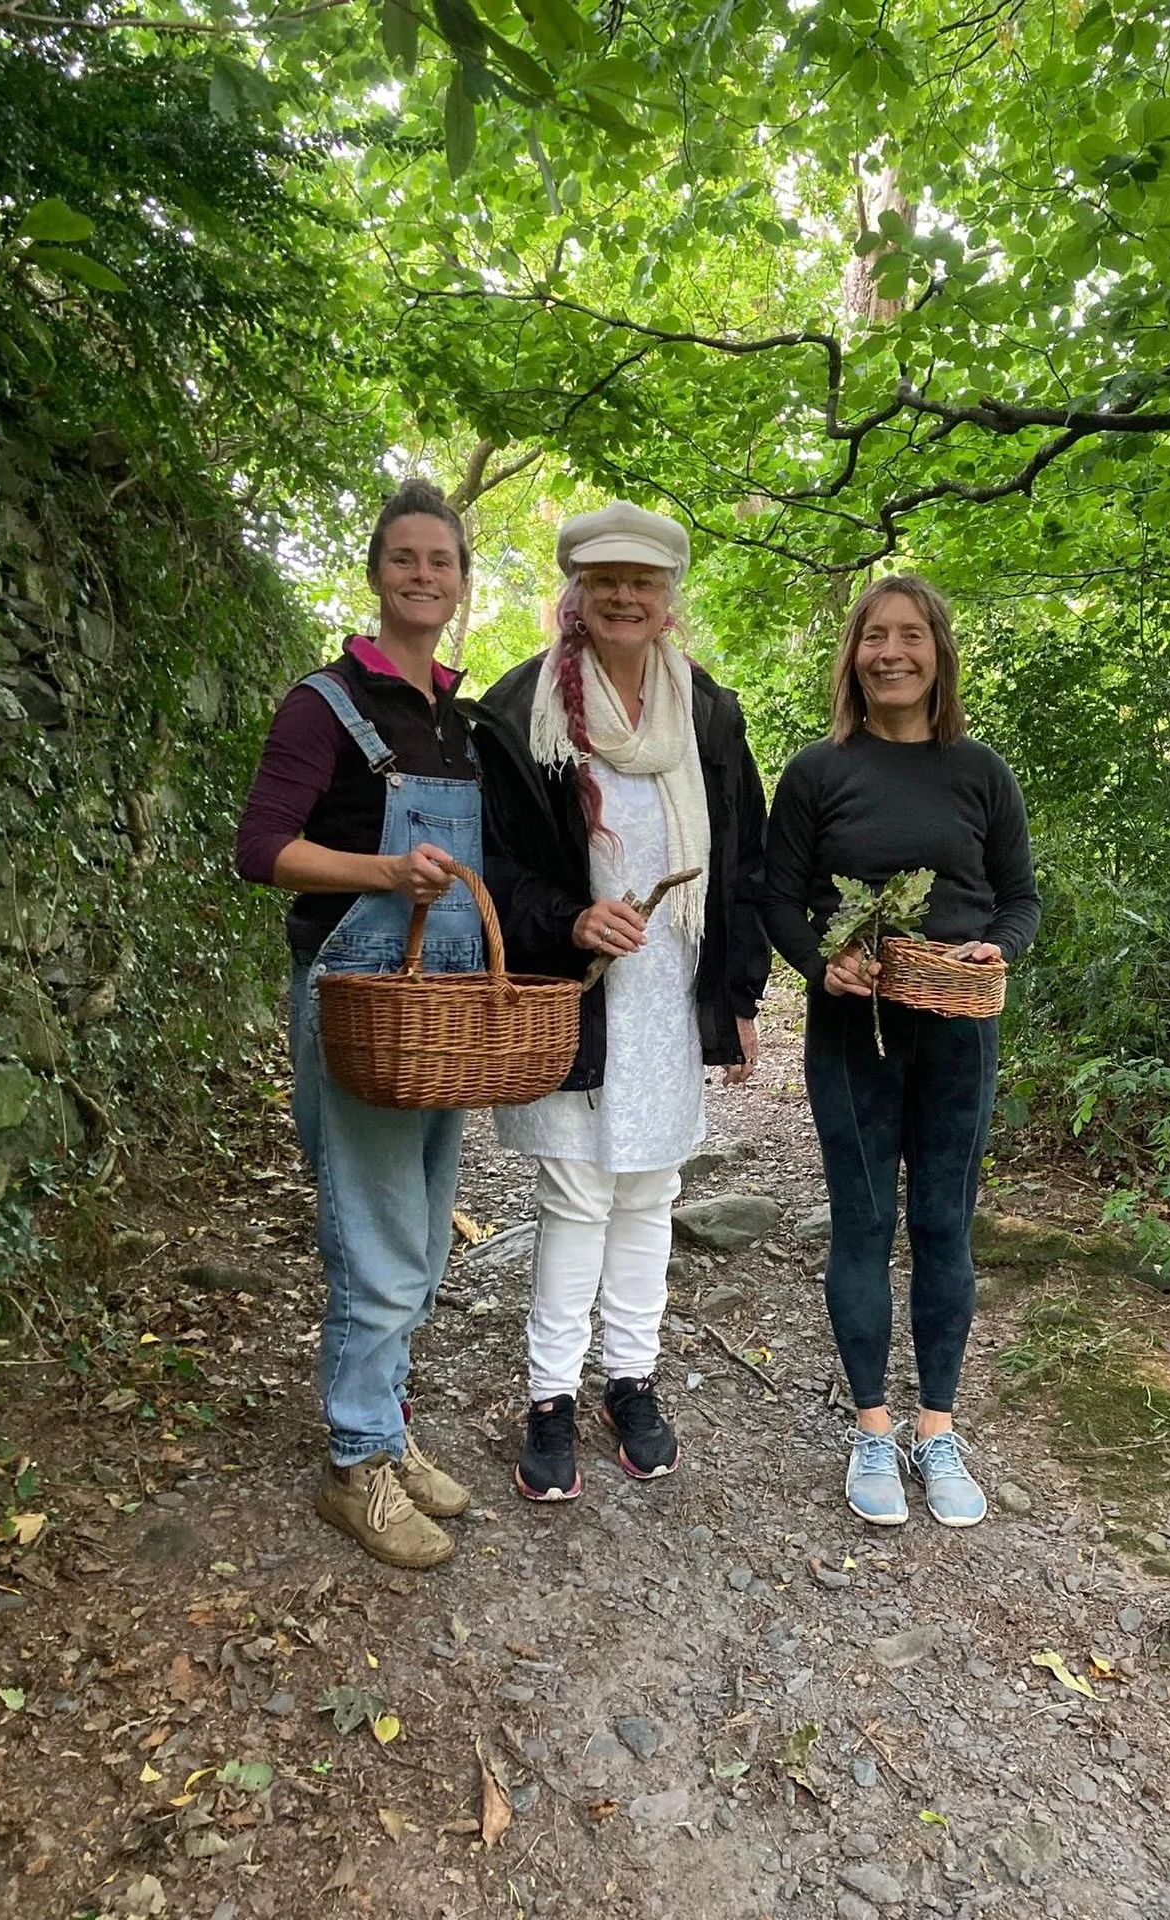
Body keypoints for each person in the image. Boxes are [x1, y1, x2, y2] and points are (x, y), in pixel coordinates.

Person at [476, 501, 770, 1503]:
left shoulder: (707, 714)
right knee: (574, 1197)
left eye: (643, 582)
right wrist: (570, 919)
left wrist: (739, 996)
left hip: (669, 995)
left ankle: (630, 1381)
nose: (624, 597)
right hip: (573, 990)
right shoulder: (524, 711)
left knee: (649, 1192)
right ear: (577, 591)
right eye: (604, 580)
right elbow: (496, 862)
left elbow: (745, 861)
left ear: (668, 597)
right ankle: (551, 1397)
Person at [235, 479, 485, 1570]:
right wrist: (384, 871)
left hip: (439, 1012)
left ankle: (386, 1429)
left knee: (420, 1239)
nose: (423, 575)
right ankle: (353, 1465)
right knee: (376, 1243)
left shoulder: (458, 720)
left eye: (441, 560)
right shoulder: (323, 703)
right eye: (405, 558)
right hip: (356, 1000)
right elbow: (262, 849)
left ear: (462, 581)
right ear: (377, 572)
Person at [763, 575, 1040, 1528]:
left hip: (959, 1031)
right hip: (853, 1034)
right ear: (853, 655)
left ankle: (938, 1429)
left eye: (910, 636)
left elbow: (1019, 899)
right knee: (864, 1221)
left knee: (944, 1224)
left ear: (938, 653)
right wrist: (820, 963)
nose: (891, 653)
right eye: (874, 636)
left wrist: (997, 948)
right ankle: (873, 1428)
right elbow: (777, 898)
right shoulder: (816, 772)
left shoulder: (981, 772)